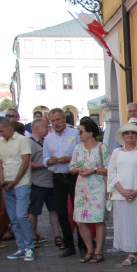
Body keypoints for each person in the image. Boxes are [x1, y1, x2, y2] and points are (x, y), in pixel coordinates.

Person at [108, 120, 137, 266]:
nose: (129, 135)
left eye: (132, 133)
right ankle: (130, 253)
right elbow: (112, 174)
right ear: (123, 136)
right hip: (121, 196)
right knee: (126, 224)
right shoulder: (116, 153)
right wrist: (123, 192)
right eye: (127, 133)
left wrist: (136, 191)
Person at [0, 116, 34, 261]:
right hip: (7, 184)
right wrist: (1, 179)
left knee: (21, 215)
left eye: (1, 131)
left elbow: (25, 162)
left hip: (21, 182)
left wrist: (15, 181)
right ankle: (21, 247)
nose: (0, 134)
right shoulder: (1, 142)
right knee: (13, 218)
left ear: (9, 127)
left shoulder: (22, 140)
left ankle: (29, 247)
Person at [69, 117, 109, 263]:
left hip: (98, 188)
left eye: (81, 132)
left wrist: (94, 170)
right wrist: (77, 169)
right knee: (80, 220)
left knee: (98, 219)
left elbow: (110, 168)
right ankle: (89, 249)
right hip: (82, 189)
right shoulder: (78, 149)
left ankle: (99, 250)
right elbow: (71, 167)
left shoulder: (101, 148)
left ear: (90, 133)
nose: (79, 135)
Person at [44, 107, 81, 257]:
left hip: (73, 175)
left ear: (64, 119)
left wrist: (70, 159)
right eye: (53, 121)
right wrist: (49, 161)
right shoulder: (48, 138)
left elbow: (82, 154)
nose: (56, 123)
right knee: (62, 212)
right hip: (58, 176)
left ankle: (84, 244)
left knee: (78, 211)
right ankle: (69, 245)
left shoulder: (75, 133)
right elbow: (44, 158)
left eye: (58, 119)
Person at [26, 117, 61, 248]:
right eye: (45, 127)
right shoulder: (29, 143)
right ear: (37, 128)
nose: (48, 129)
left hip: (51, 182)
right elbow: (26, 163)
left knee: (54, 209)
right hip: (37, 182)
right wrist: (45, 164)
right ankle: (33, 236)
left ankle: (57, 235)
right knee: (34, 211)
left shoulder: (47, 141)